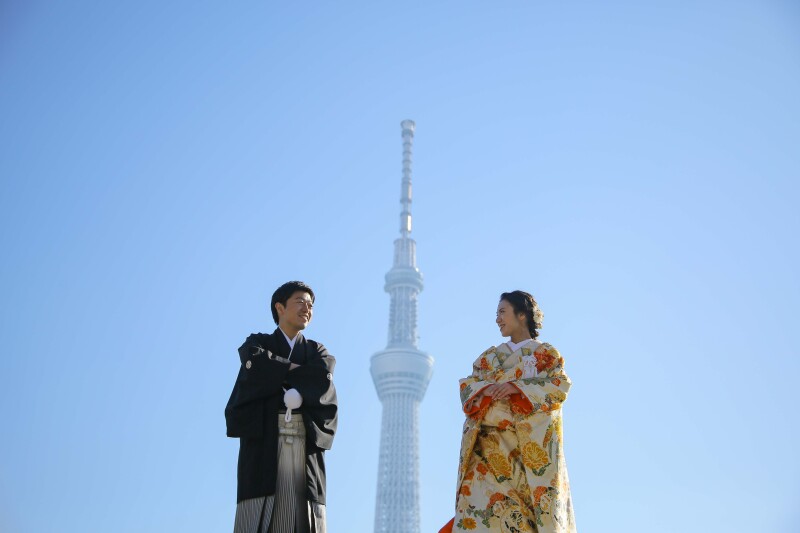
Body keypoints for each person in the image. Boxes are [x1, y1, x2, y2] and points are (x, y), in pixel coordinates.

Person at [440, 290, 576, 533]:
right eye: (496, 314)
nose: (498, 319)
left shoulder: (545, 355)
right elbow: (469, 388)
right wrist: (491, 390)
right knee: (481, 513)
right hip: (488, 451)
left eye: (502, 312)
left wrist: (515, 388)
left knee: (525, 521)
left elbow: (559, 386)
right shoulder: (489, 358)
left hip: (524, 453)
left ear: (522, 314)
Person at [225, 281, 338, 533]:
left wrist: (276, 371)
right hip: (267, 441)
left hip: (303, 442)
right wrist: (301, 373)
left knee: (303, 516)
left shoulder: (316, 351)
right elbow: (255, 364)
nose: (307, 308)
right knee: (260, 516)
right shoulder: (257, 344)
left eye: (311, 304)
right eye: (300, 301)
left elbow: (322, 378)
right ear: (280, 307)